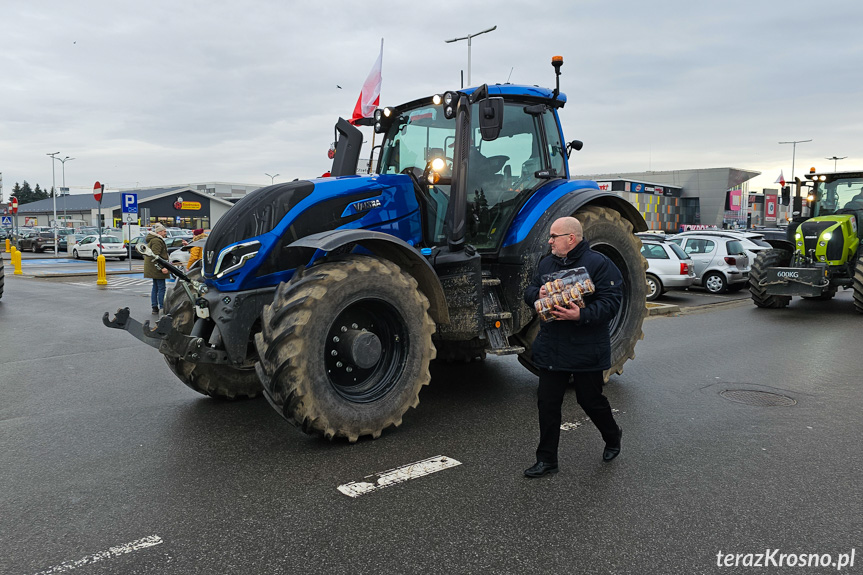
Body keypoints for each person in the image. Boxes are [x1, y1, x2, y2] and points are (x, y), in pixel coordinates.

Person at [522, 216, 624, 478]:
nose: (550, 241)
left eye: (554, 236)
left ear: (571, 238)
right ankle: (546, 460)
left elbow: (611, 303)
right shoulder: (547, 263)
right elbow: (530, 290)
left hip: (586, 346)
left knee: (589, 400)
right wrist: (538, 295)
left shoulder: (599, 264)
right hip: (552, 345)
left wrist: (581, 315)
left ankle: (613, 435)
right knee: (547, 403)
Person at [144, 223, 170, 315]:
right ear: (159, 232)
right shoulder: (157, 241)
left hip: (152, 267)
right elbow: (156, 255)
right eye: (164, 231)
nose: (165, 233)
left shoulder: (153, 240)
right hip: (156, 268)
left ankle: (154, 307)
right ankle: (162, 307)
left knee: (155, 287)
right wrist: (162, 267)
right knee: (161, 287)